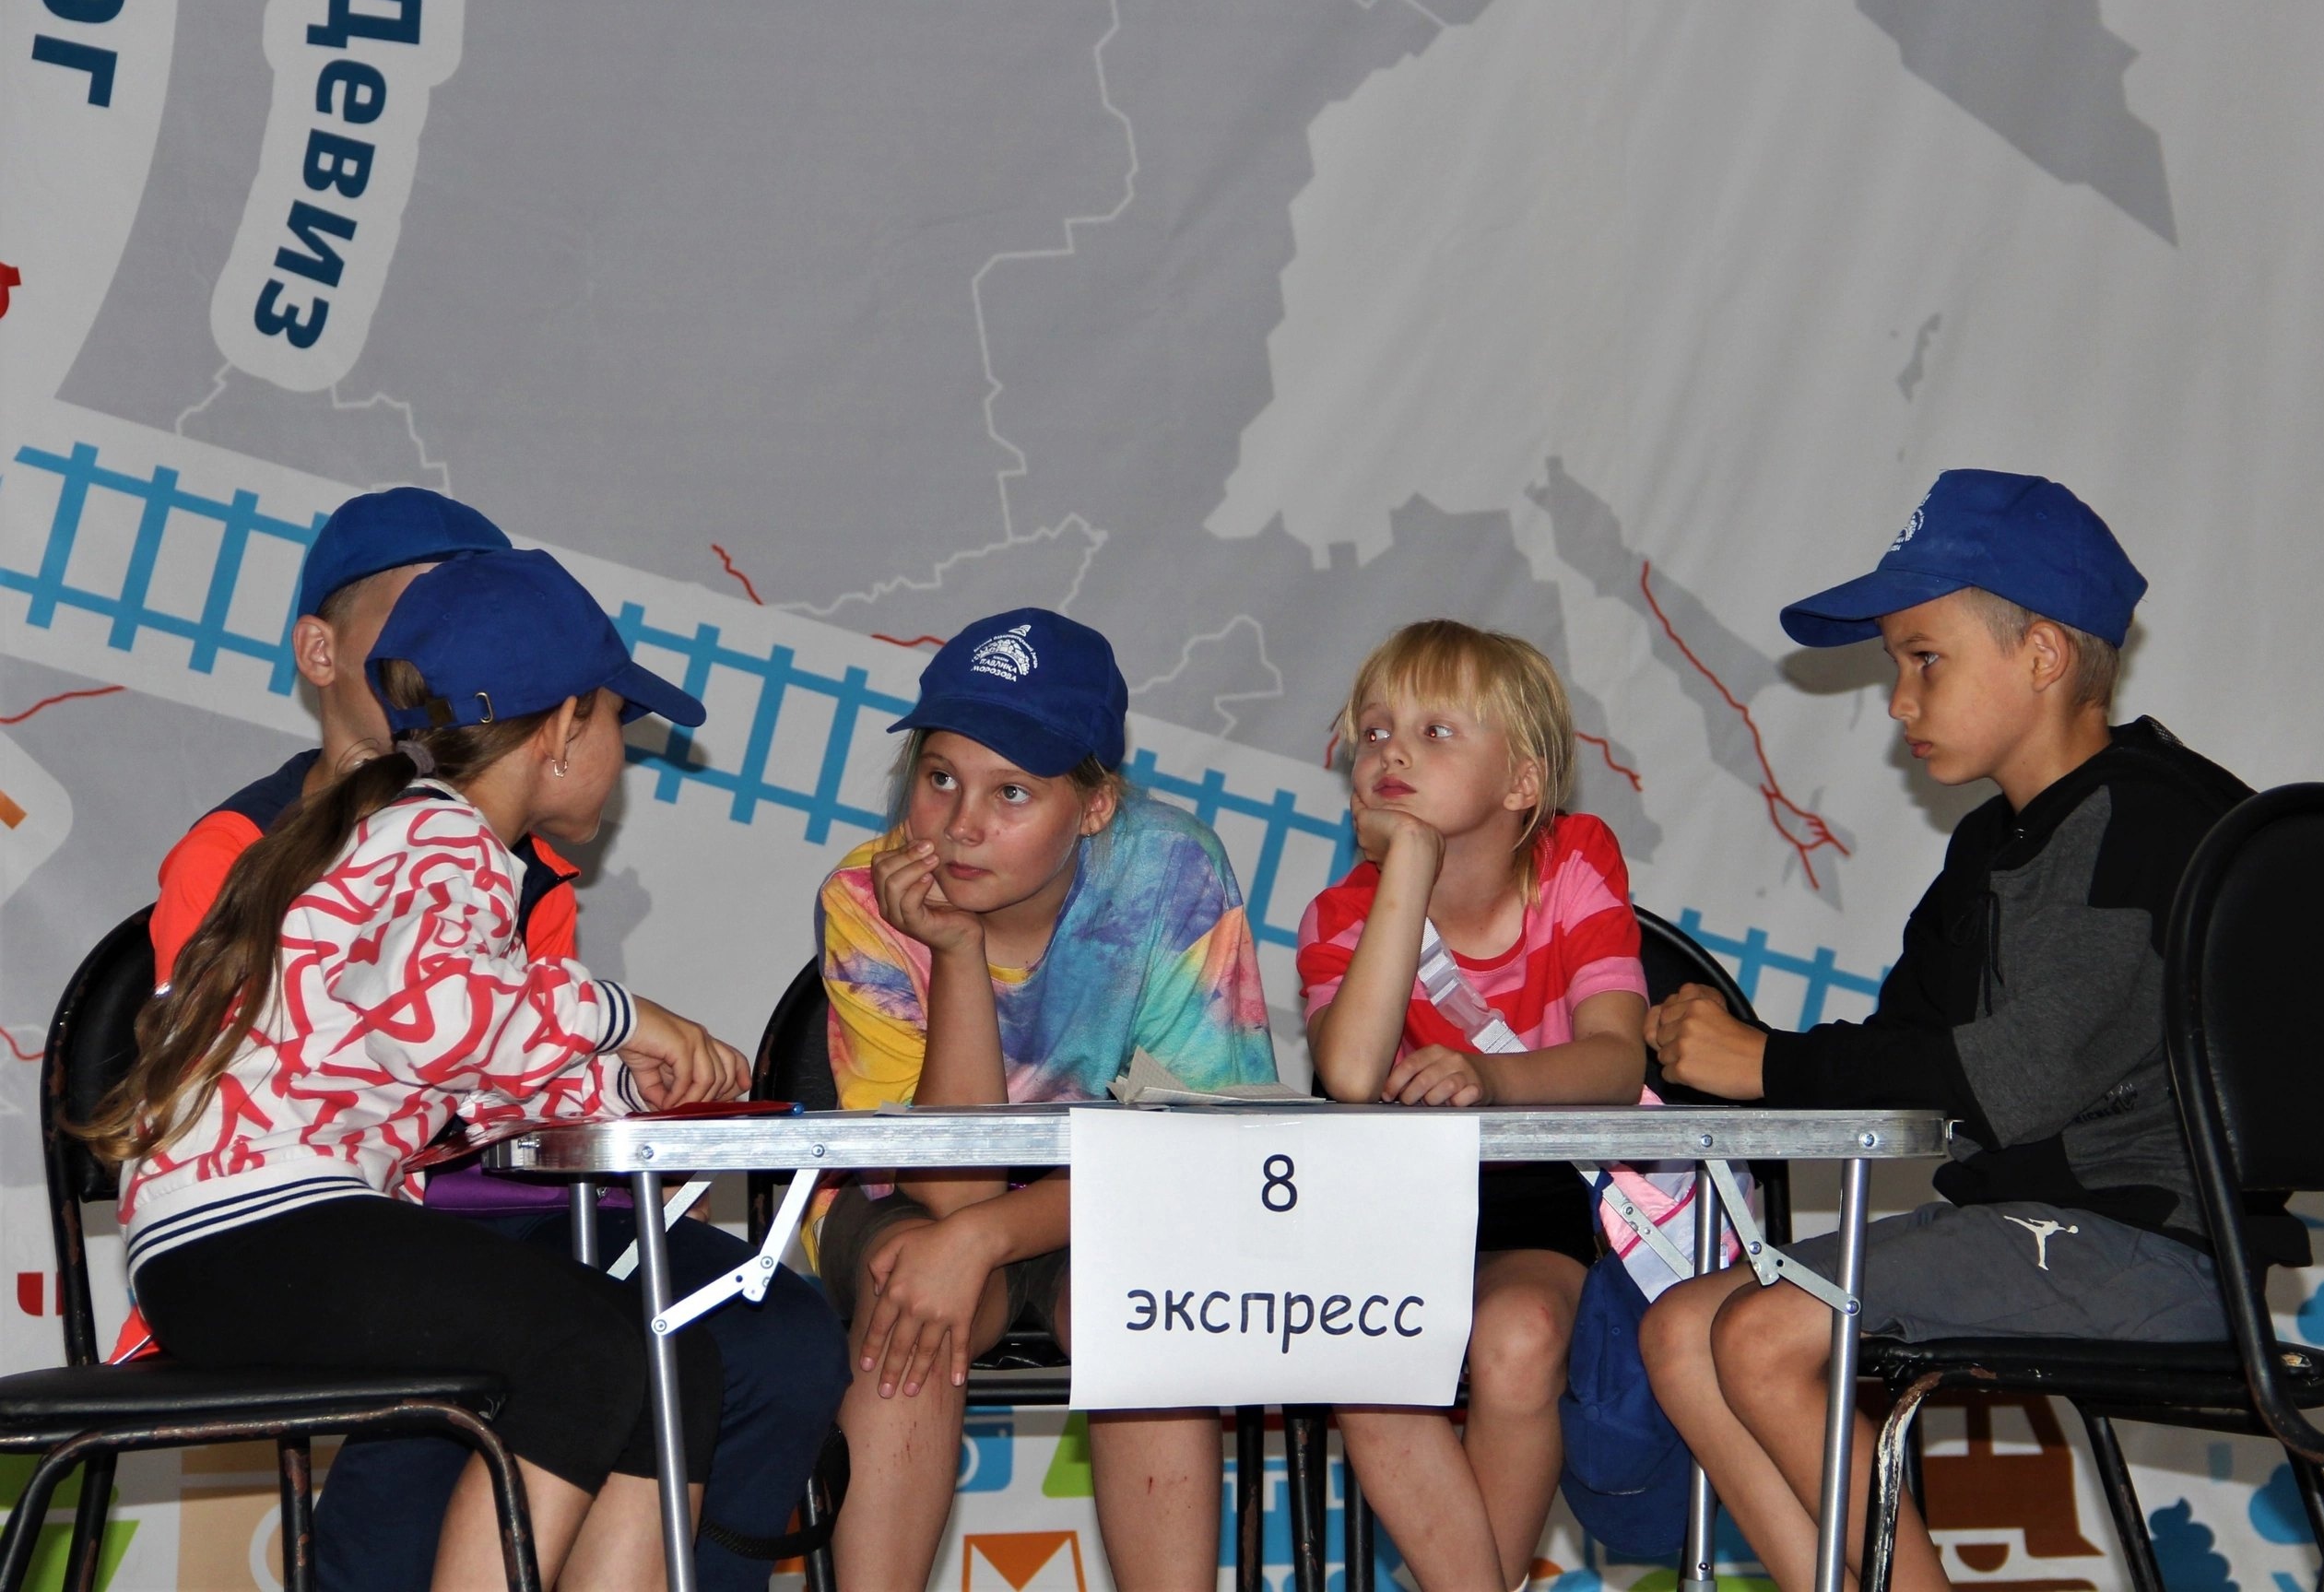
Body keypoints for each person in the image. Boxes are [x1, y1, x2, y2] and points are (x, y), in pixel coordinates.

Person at [145, 489, 847, 1592]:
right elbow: (455, 1012)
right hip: (253, 1235)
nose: (625, 757)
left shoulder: (414, 834)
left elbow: (483, 1079)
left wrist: (628, 1087)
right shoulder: (439, 836)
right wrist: (628, 1016)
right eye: (620, 726)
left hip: (270, 1238)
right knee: (589, 1353)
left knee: (674, 1369)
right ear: (562, 729)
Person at [1639, 470, 2277, 1592]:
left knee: (1759, 1337)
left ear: (2042, 655)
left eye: (1923, 658)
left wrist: (1766, 1063)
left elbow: (2014, 1080)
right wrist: (1730, 1054)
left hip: (2155, 1248)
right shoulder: (1990, 845)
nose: (1898, 700)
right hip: (2038, 1234)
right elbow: (1903, 1065)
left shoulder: (2146, 820)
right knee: (1684, 1331)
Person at [816, 608, 1277, 1589]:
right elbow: (952, 1190)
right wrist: (955, 953)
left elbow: (1206, 1148)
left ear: (1095, 807)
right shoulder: (865, 896)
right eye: (940, 778)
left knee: (1144, 1297)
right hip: (918, 1198)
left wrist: (985, 1238)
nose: (961, 825)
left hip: (1121, 1198)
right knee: (912, 1286)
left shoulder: (1172, 874)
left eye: (1013, 791)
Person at [1298, 620, 1649, 1592]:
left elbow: (1615, 1063)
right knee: (1359, 1348)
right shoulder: (1339, 916)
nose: (1392, 753)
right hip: (1389, 1212)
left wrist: (1493, 1083)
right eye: (1374, 733)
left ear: (1523, 782)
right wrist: (1406, 866)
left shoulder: (1576, 861)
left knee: (1522, 1336)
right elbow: (1352, 1076)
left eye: (1435, 731)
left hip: (1545, 1200)